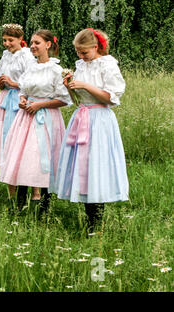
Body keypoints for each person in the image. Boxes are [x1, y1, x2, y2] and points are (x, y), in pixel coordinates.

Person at [51, 28, 128, 232]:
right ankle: (89, 216)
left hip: (99, 120)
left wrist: (85, 85)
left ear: (96, 47)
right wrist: (70, 87)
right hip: (82, 117)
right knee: (82, 166)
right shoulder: (81, 65)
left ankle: (97, 221)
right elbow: (78, 100)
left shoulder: (107, 64)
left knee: (96, 164)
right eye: (78, 52)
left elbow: (110, 97)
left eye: (84, 52)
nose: (81, 56)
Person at [0, 29, 71, 215]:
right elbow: (23, 88)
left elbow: (64, 99)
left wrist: (40, 105)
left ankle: (45, 207)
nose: (32, 46)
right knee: (23, 157)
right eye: (31, 42)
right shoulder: (30, 67)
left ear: (48, 45)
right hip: (26, 118)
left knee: (44, 159)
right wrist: (23, 99)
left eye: (37, 43)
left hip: (46, 118)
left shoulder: (56, 70)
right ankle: (20, 205)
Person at [0, 23, 35, 198]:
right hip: (5, 99)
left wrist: (14, 83)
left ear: (21, 39)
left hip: (20, 99)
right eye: (4, 40)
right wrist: (1, 83)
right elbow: (0, 76)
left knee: (18, 140)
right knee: (4, 141)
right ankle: (11, 191)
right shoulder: (5, 56)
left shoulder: (26, 56)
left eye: (10, 40)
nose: (7, 44)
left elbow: (32, 81)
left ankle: (31, 187)